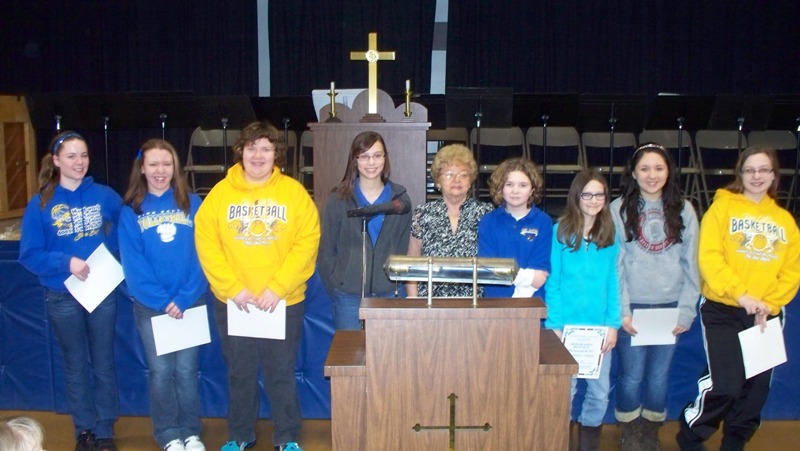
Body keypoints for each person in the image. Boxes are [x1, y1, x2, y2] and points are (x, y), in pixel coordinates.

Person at [194, 121, 320, 451]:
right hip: (236, 303)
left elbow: (307, 243)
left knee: (280, 373)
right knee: (240, 373)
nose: (258, 155)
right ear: (241, 151)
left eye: (266, 148)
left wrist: (277, 288)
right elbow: (207, 244)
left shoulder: (294, 193)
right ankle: (239, 435)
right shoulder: (220, 194)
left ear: (276, 154)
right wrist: (233, 288)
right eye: (252, 148)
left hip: (283, 302)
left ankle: (287, 437)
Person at [676, 147, 800, 451]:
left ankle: (735, 440)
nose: (757, 176)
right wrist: (741, 295)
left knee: (756, 389)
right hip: (723, 309)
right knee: (726, 385)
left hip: (766, 314)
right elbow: (709, 259)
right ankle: (691, 434)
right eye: (750, 170)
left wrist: (769, 303)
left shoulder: (784, 221)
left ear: (773, 175)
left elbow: (791, 271)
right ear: (740, 173)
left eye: (764, 170)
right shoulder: (721, 209)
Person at [19, 131, 122, 451]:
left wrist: (108, 253)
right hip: (62, 295)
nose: (79, 162)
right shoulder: (41, 203)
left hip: (100, 292)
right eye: (72, 156)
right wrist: (67, 262)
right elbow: (29, 254)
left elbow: (127, 226)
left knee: (103, 362)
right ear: (56, 160)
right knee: (76, 365)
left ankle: (105, 429)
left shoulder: (104, 195)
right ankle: (85, 430)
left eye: (84, 155)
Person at [118, 139, 208, 451]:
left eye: (167, 164)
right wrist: (162, 301)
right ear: (142, 168)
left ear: (175, 168)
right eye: (153, 164)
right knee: (160, 372)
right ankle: (168, 433)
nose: (160, 171)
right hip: (152, 307)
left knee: (186, 372)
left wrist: (183, 298)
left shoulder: (193, 204)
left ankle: (191, 432)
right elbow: (134, 264)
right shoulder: (131, 211)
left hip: (189, 302)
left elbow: (204, 255)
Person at [609, 143, 700, 450]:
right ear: (633, 173)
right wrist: (622, 309)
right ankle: (629, 429)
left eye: (659, 168)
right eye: (644, 168)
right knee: (631, 376)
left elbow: (692, 264)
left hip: (669, 309)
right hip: (633, 308)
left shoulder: (685, 209)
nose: (652, 175)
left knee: (659, 377)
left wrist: (686, 310)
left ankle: (651, 429)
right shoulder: (618, 209)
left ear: (669, 172)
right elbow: (616, 265)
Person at [543, 170, 620, 451]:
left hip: (599, 329)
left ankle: (589, 437)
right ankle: (560, 437)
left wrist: (613, 324)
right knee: (567, 390)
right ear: (576, 196)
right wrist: (554, 324)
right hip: (568, 328)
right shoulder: (560, 232)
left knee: (600, 393)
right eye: (587, 194)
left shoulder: (610, 234)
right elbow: (554, 282)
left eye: (599, 194)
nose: (593, 200)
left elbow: (613, 282)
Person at [319, 131, 412, 329]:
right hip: (348, 297)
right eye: (364, 156)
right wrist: (338, 283)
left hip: (390, 292)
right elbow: (327, 250)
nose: (371, 162)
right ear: (355, 160)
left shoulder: (400, 200)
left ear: (385, 158)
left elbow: (405, 248)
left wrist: (396, 281)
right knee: (352, 349)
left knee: (389, 349)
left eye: (377, 155)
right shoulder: (338, 199)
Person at [406, 144, 493, 298]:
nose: (456, 180)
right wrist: (414, 302)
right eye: (449, 174)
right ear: (437, 181)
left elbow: (494, 263)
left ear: (470, 181)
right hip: (430, 301)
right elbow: (412, 262)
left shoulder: (485, 213)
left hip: (474, 301)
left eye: (463, 174)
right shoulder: (423, 213)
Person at [478, 157, 552, 298]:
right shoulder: (488, 222)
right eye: (509, 184)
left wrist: (518, 300)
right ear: (500, 188)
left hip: (533, 302)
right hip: (495, 301)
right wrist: (528, 277)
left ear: (532, 190)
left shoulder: (544, 222)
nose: (515, 191)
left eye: (523, 185)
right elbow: (487, 268)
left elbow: (540, 273)